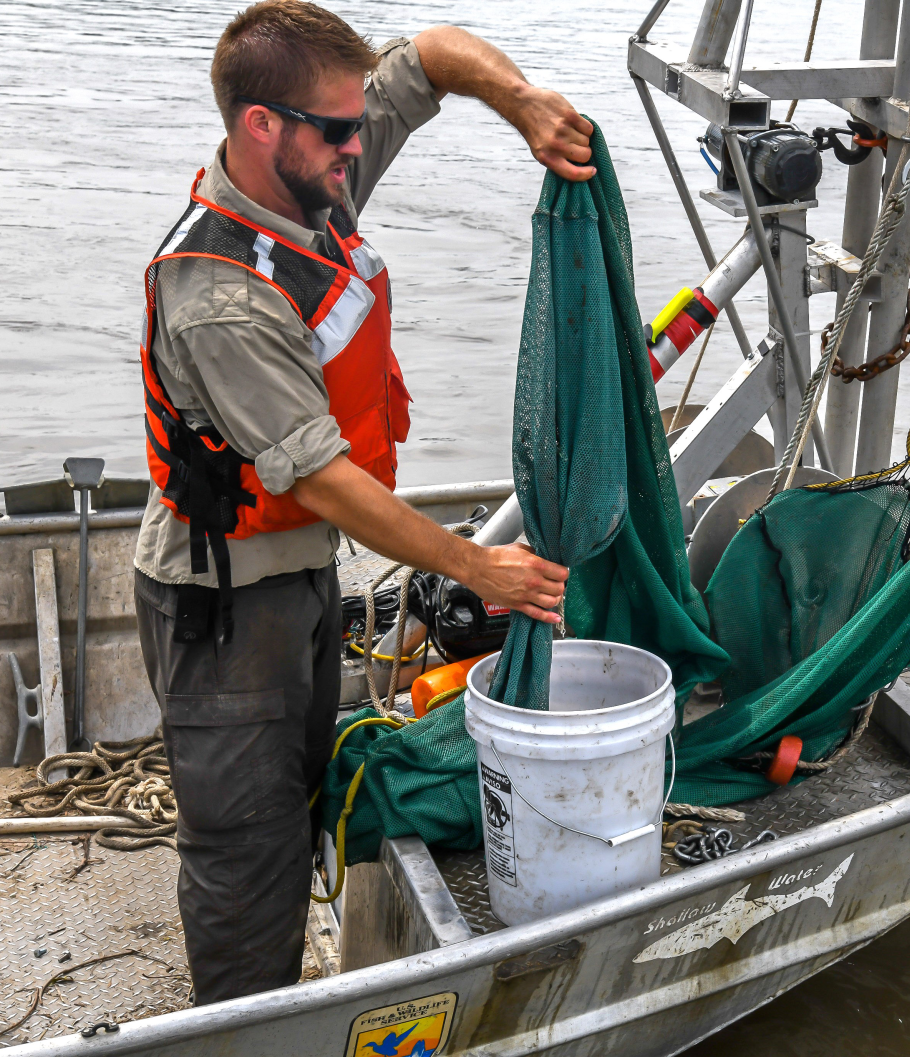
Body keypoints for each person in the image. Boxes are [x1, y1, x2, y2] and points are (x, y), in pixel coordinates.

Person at [132, 0, 589, 1004]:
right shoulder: (217, 294)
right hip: (222, 608)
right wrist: (475, 565)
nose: (356, 144)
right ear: (263, 125)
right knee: (244, 848)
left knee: (298, 796)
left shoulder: (313, 178)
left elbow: (431, 55)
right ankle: (244, 1024)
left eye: (355, 124)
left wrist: (523, 103)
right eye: (339, 129)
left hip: (298, 577)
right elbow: (323, 479)